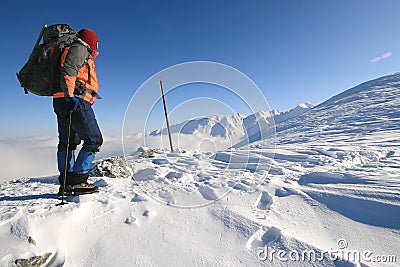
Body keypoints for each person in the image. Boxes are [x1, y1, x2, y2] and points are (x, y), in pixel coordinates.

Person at [53, 28, 103, 195]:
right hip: (74, 99)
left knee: (67, 141)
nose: (97, 47)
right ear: (90, 41)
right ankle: (78, 181)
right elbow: (69, 69)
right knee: (94, 139)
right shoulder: (80, 48)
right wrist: (70, 95)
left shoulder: (70, 48)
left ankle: (66, 182)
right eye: (96, 43)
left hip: (60, 100)